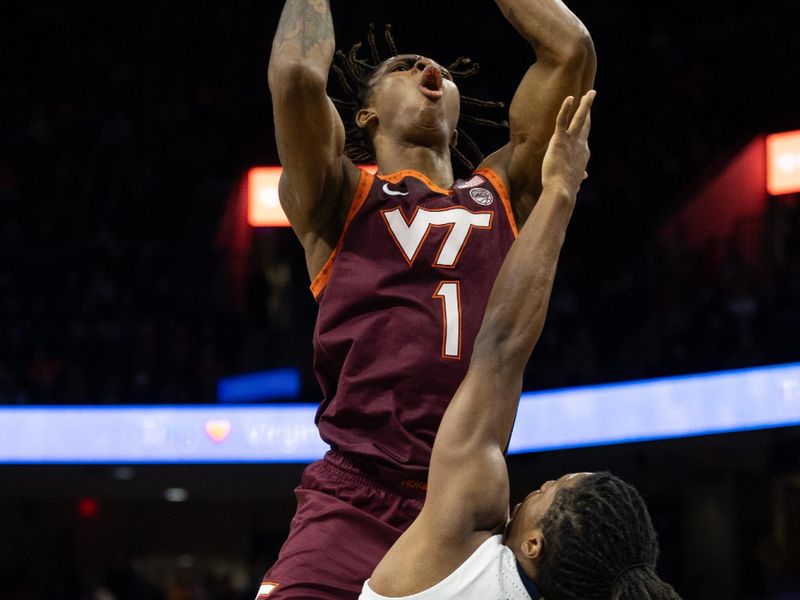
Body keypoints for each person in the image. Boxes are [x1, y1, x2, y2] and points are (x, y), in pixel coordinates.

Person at [261, 1, 596, 597]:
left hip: (461, 505)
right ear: (364, 113)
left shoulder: (505, 191)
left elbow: (570, 49)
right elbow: (295, 77)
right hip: (353, 493)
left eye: (439, 69)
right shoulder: (339, 194)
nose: (428, 71)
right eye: (406, 66)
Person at [361, 91, 680, 600]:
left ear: (534, 544)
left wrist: (560, 190)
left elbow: (501, 347)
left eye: (545, 492)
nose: (534, 487)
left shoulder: (464, 540)